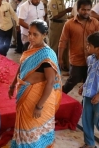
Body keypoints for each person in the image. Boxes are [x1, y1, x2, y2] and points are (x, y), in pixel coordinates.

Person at [8, 19, 62, 148]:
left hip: (38, 99)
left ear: (44, 35)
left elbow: (50, 82)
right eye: (29, 33)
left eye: (35, 34)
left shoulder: (47, 55)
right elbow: (21, 66)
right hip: (25, 93)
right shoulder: (29, 47)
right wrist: (12, 84)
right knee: (25, 127)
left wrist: (39, 106)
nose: (31, 37)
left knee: (35, 129)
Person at [60, 0, 99, 93]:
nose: (86, 12)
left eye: (88, 10)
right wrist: (60, 58)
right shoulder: (69, 24)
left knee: (89, 84)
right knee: (72, 81)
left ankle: (84, 105)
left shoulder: (95, 22)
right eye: (83, 9)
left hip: (92, 59)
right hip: (76, 60)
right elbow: (63, 41)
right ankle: (60, 98)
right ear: (78, 9)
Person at [47, 0, 72, 69]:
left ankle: (63, 64)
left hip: (62, 23)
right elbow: (55, 15)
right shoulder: (52, 1)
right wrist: (67, 10)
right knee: (54, 45)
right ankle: (51, 65)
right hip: (55, 25)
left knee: (63, 44)